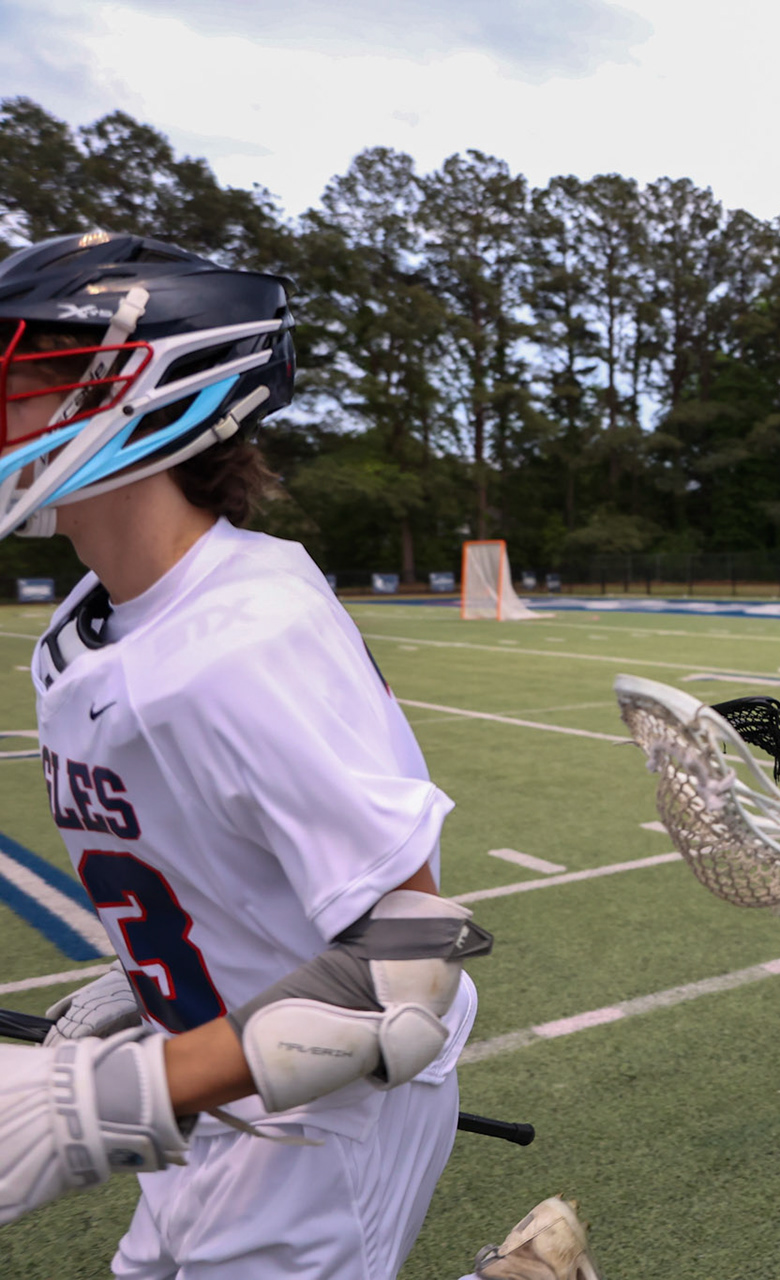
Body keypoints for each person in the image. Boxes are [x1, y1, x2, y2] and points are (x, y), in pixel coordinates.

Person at [0, 233, 591, 1280]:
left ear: (136, 394)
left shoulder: (243, 636)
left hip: (323, 1109)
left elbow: (407, 958)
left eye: (22, 374)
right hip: (217, 1074)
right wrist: (153, 986)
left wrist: (112, 1097)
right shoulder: (93, 621)